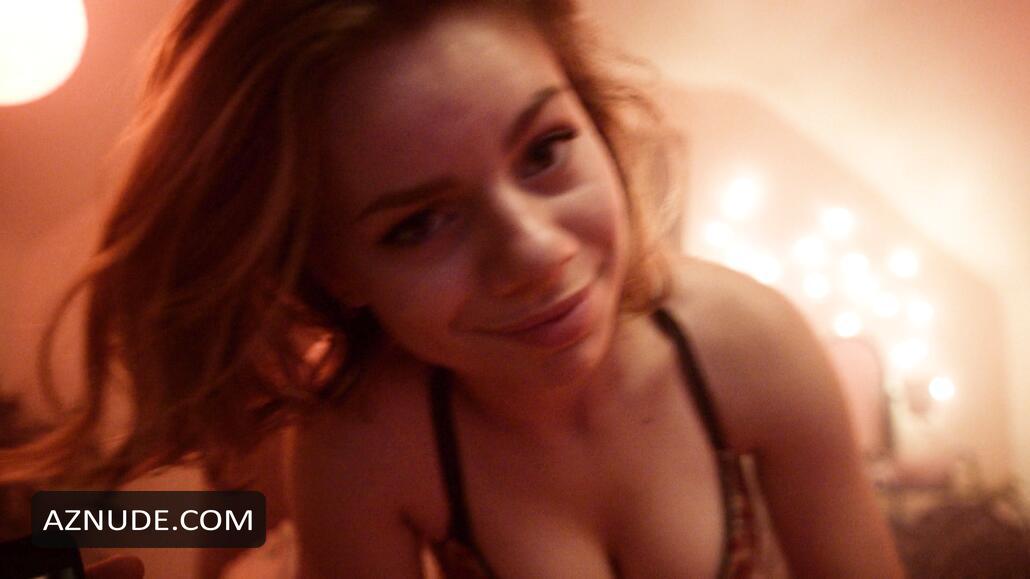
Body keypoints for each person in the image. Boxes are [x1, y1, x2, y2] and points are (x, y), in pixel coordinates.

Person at [2, 0, 905, 577]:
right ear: (335, 271)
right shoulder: (356, 444)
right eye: (418, 223)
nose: (535, 254)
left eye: (545, 149)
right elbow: (219, 524)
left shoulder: (751, 344)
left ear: (595, 120)